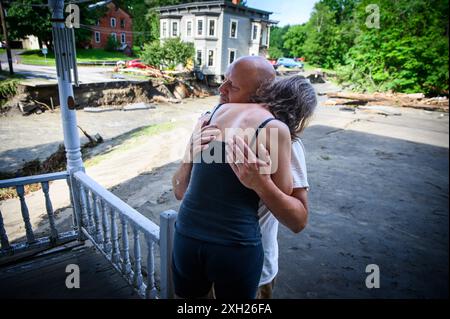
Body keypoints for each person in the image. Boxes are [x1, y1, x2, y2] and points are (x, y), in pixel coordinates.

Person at [172, 56, 316, 298]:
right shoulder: (209, 123)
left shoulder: (286, 141)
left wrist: (261, 184)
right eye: (224, 80)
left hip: (253, 265)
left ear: (260, 95)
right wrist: (189, 155)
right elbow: (181, 192)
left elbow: (298, 221)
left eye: (233, 86)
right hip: (216, 250)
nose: (221, 89)